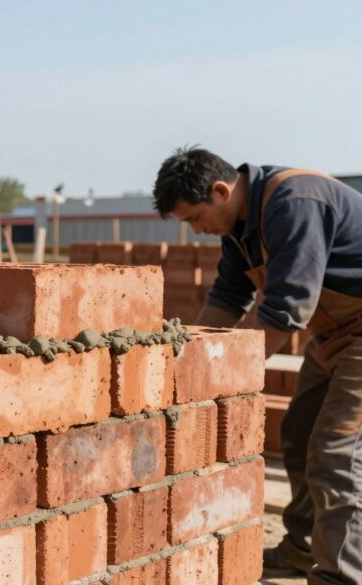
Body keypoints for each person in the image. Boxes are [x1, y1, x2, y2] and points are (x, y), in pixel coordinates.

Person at [152, 147, 362, 584]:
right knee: (299, 434)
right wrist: (187, 359)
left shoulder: (294, 203)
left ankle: (342, 575)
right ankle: (305, 549)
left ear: (221, 190)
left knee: (335, 451)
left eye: (195, 218)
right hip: (334, 335)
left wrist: (227, 378)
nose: (197, 231)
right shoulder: (240, 228)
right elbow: (229, 298)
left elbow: (288, 308)